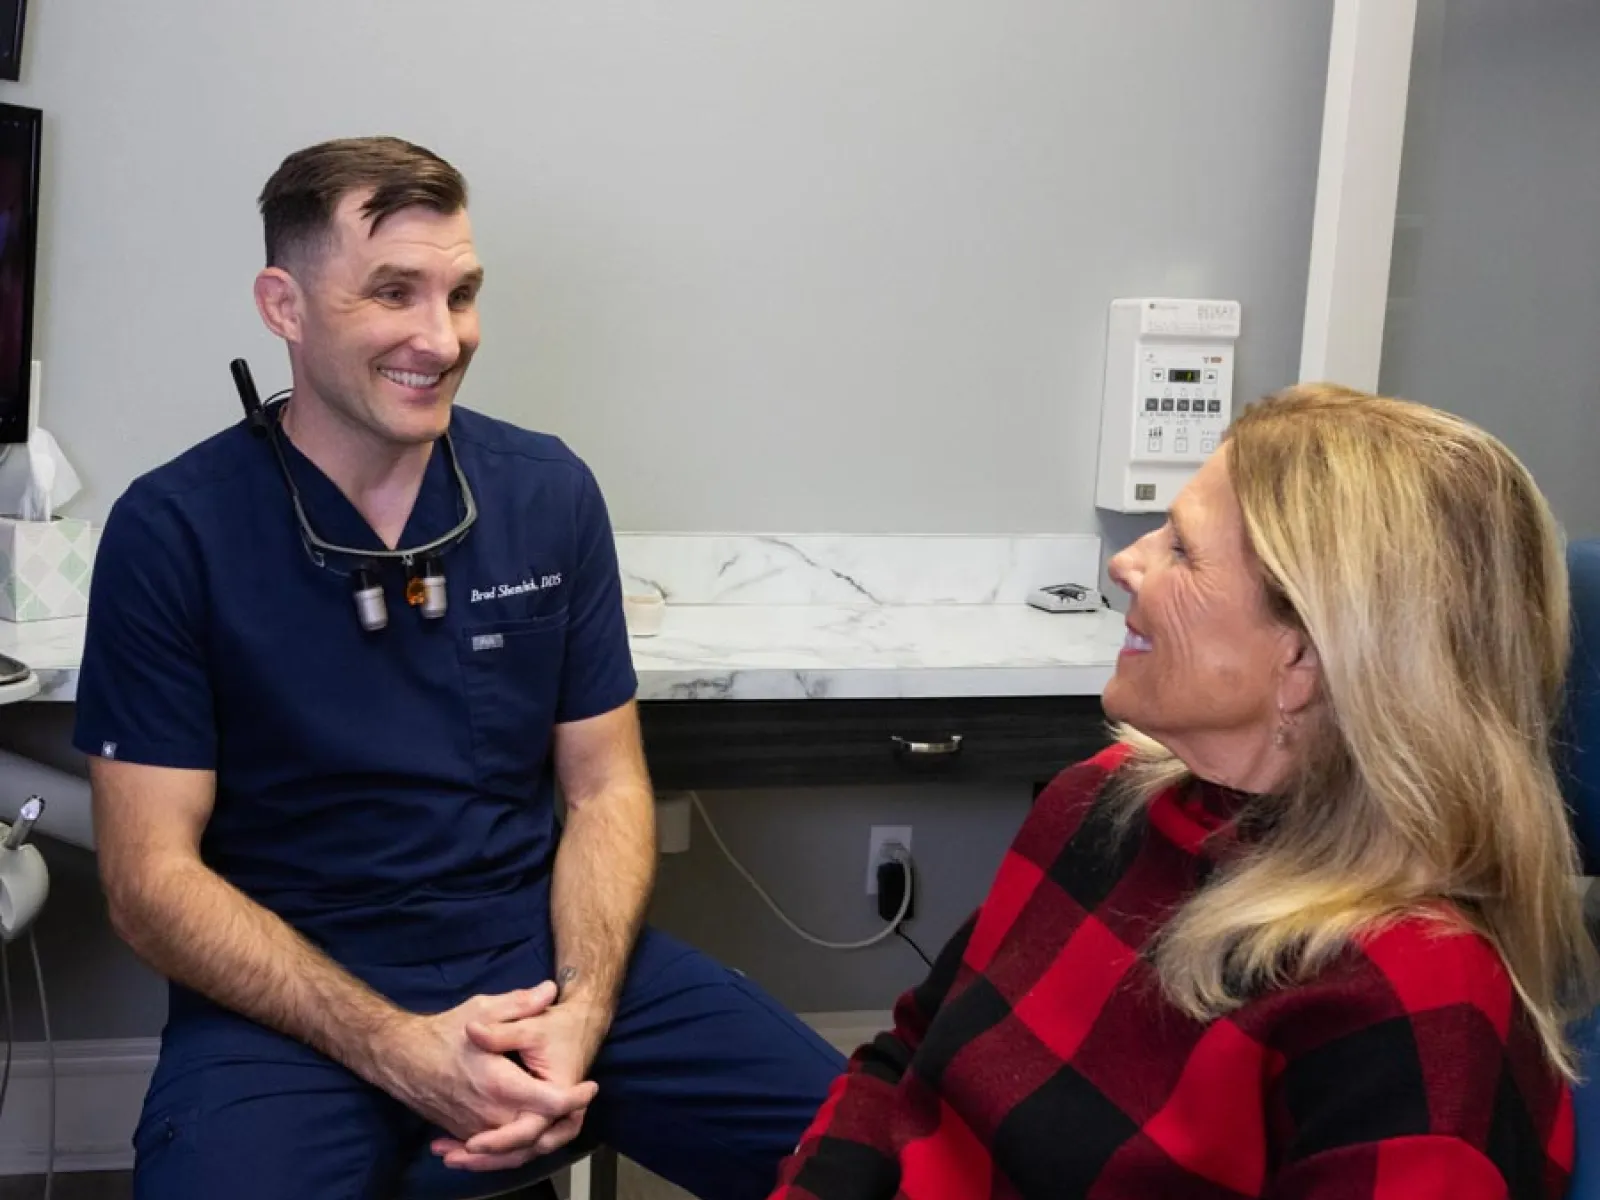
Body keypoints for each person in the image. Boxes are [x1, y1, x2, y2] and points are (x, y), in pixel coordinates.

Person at [74, 135, 843, 1200]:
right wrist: (397, 1047)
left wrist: (579, 1009)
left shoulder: (545, 494)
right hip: (288, 993)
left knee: (878, 1156)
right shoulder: (175, 531)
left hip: (533, 956)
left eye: (463, 294)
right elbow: (149, 882)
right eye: (394, 292)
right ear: (284, 305)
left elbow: (606, 785)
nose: (442, 338)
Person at [770, 384, 1600, 1200]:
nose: (1124, 562)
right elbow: (908, 1055)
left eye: (1182, 550)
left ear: (1305, 659)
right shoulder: (1100, 800)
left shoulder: (1408, 998)